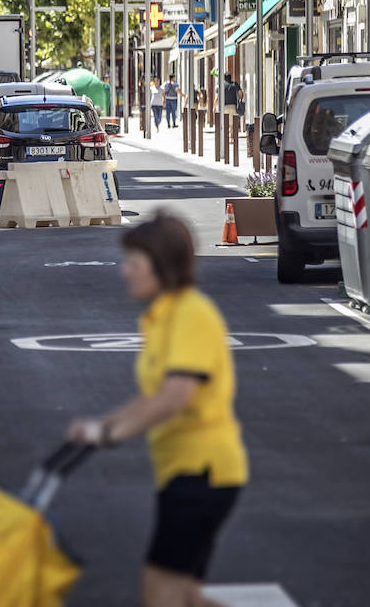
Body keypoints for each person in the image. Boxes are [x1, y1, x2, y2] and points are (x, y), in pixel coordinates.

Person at [68, 213, 246, 607]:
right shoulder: (159, 318)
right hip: (183, 471)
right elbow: (152, 397)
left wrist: (109, 435)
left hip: (203, 471)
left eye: (134, 263)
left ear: (161, 266)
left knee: (161, 591)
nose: (124, 271)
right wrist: (101, 426)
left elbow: (174, 396)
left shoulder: (191, 314)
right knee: (185, 595)